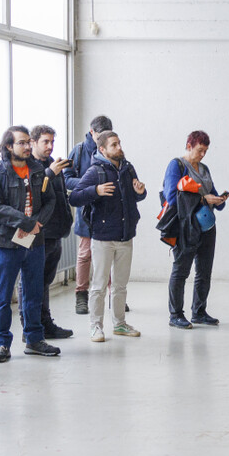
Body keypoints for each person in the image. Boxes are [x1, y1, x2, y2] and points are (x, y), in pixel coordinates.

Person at [0, 126, 65, 362]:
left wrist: (37, 223)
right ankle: (1, 344)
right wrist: (26, 222)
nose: (28, 146)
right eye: (22, 142)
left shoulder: (38, 170)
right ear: (9, 146)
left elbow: (50, 200)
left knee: (33, 292)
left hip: (34, 240)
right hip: (6, 242)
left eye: (29, 142)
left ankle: (34, 339)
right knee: (3, 295)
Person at [69, 129, 147, 342]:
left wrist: (140, 191)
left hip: (125, 236)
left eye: (119, 143)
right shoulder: (95, 172)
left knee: (120, 285)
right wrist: (96, 191)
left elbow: (136, 196)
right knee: (99, 285)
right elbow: (74, 198)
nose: (119, 147)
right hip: (102, 238)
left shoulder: (128, 168)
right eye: (114, 144)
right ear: (102, 149)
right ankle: (95, 326)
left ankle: (120, 324)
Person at [164, 132, 229, 328]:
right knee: (181, 271)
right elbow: (171, 197)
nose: (202, 155)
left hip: (207, 226)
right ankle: (175, 314)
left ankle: (199, 312)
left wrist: (219, 200)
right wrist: (202, 199)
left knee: (204, 271)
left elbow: (212, 193)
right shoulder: (176, 165)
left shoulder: (204, 168)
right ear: (189, 145)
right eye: (200, 150)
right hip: (186, 226)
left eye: (205, 151)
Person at [26, 125, 75, 342]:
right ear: (33, 142)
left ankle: (45, 324)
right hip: (38, 233)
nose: (50, 146)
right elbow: (30, 193)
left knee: (45, 282)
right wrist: (49, 173)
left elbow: (59, 196)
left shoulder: (52, 164)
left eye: (52, 142)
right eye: (45, 142)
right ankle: (30, 328)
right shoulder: (29, 166)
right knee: (31, 283)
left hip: (55, 232)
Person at [67, 115, 113, 316]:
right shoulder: (78, 151)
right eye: (99, 135)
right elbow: (66, 179)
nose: (103, 139)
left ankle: (113, 295)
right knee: (85, 254)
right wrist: (91, 185)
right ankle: (81, 295)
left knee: (109, 254)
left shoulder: (112, 148)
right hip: (86, 209)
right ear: (91, 132)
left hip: (108, 210)